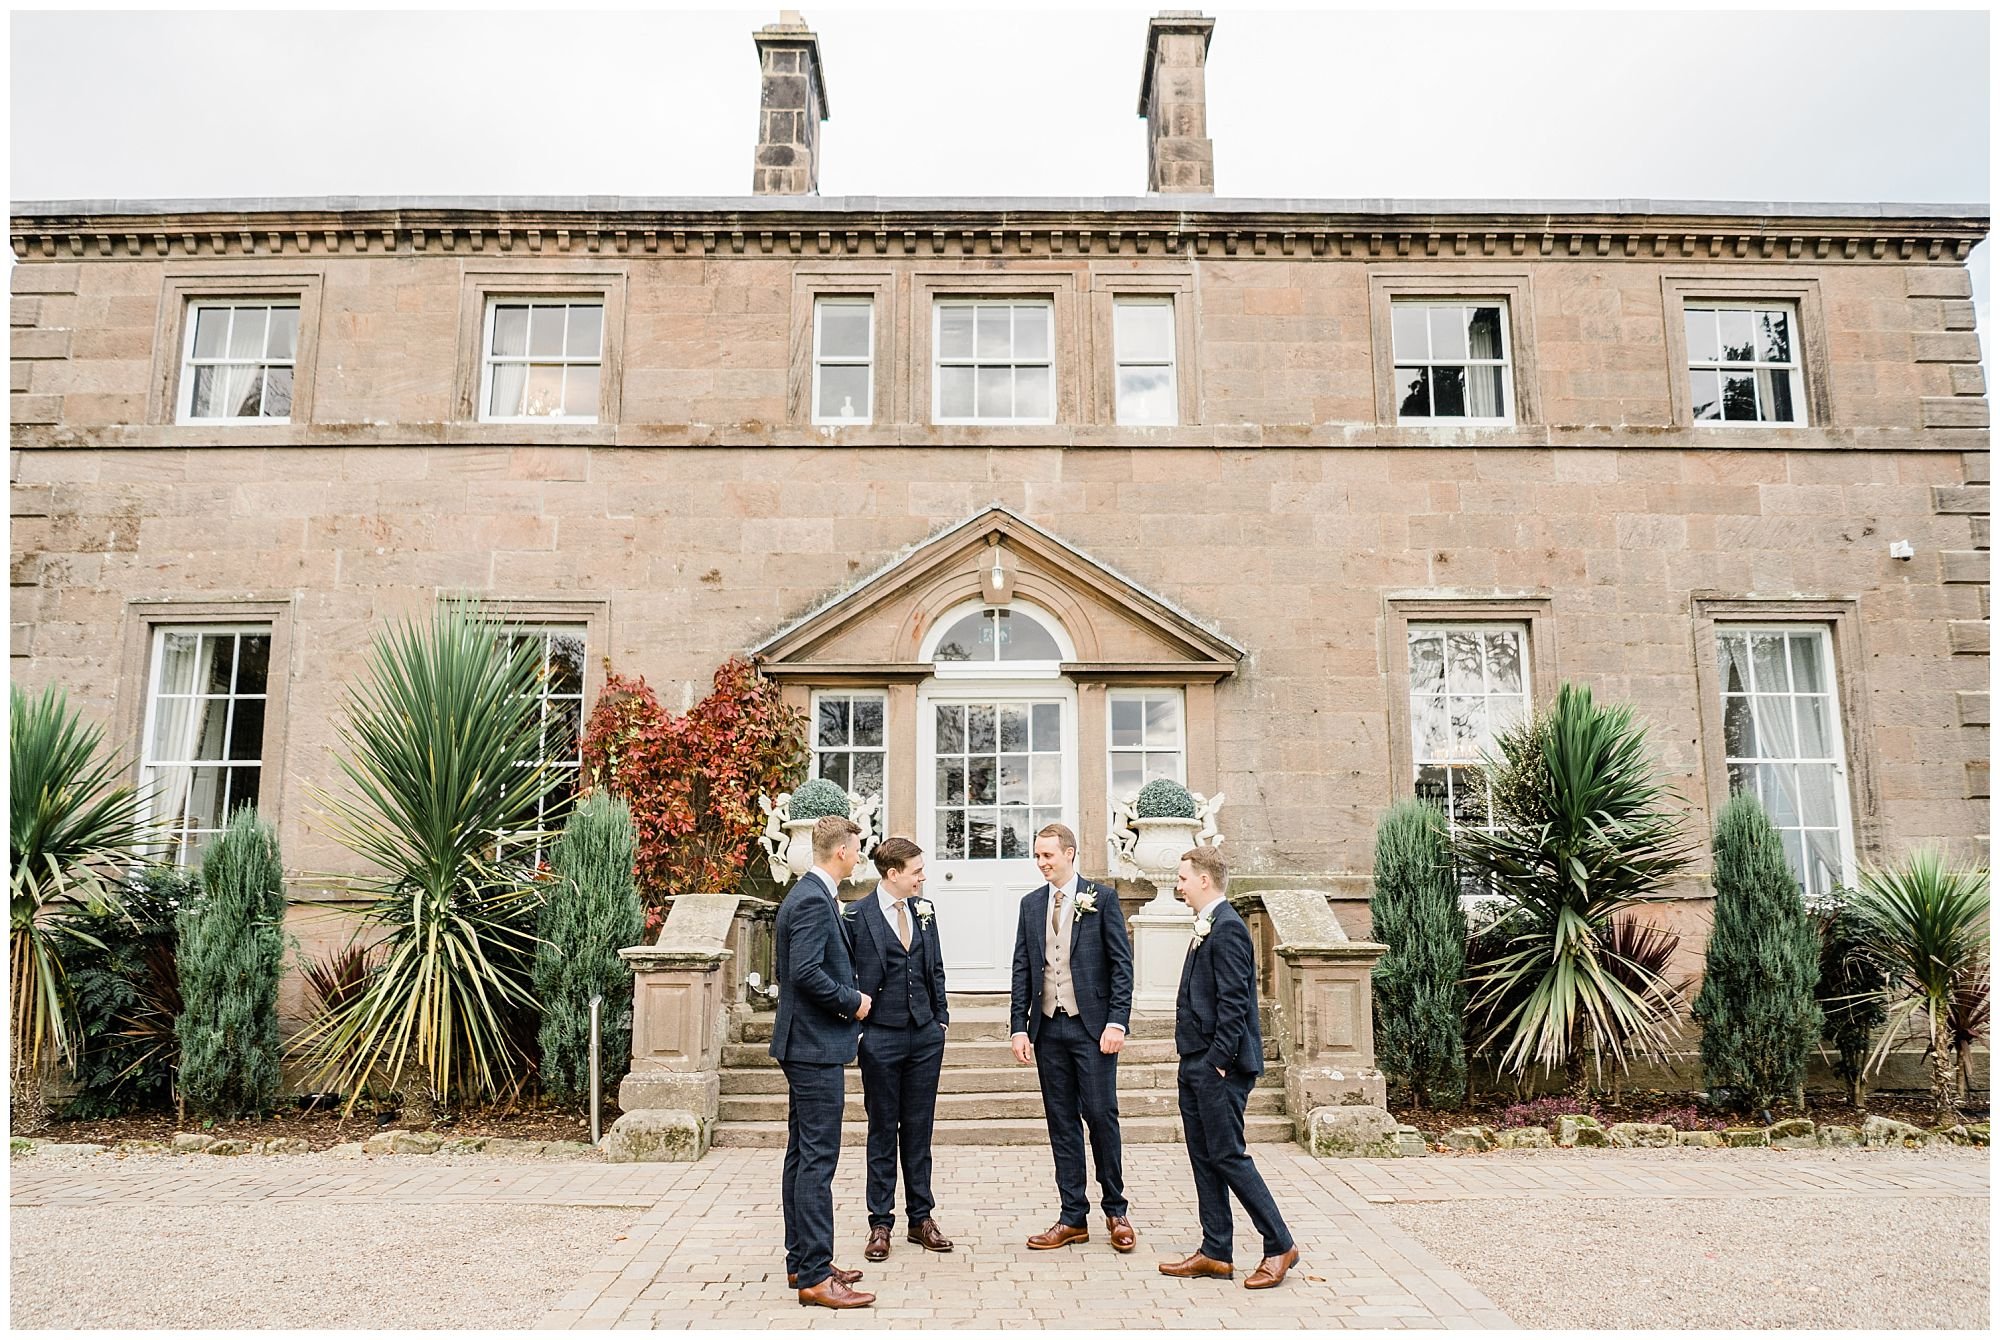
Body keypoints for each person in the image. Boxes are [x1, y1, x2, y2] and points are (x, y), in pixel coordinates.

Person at [1159, 845, 1298, 1290]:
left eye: (1183, 877)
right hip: (1195, 1061)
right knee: (1204, 1157)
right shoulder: (1209, 925)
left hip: (1218, 1066)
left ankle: (1279, 1245)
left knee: (1229, 1156)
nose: (1178, 884)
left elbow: (1237, 1003)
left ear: (1204, 879)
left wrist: (1218, 1062)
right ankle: (1216, 1251)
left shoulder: (1229, 928)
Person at [1007, 822, 1137, 1253]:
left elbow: (1121, 965)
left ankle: (1116, 1211)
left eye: (1048, 855)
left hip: (1092, 1028)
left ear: (1070, 853)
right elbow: (1022, 968)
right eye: (1037, 856)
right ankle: (1072, 1218)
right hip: (1048, 1028)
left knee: (1101, 1116)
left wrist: (1117, 1022)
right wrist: (1018, 1027)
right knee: (1061, 1122)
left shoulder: (1102, 899)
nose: (1042, 863)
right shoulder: (1029, 905)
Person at [768, 815, 874, 1309]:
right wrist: (851, 1001)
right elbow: (807, 972)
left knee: (801, 1155)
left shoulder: (810, 893)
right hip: (814, 1045)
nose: (860, 854)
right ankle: (814, 1276)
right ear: (840, 852)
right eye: (857, 848)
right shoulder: (812, 898)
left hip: (807, 1044)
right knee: (817, 1160)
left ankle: (801, 1261)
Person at [846, 835, 954, 1262]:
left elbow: (936, 969)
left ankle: (920, 1218)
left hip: (925, 1035)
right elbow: (846, 974)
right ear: (893, 874)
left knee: (919, 1129)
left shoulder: (924, 912)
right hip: (879, 1037)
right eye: (916, 871)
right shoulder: (856, 916)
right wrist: (859, 1031)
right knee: (881, 1129)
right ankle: (880, 1223)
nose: (923, 877)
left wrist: (940, 1019)